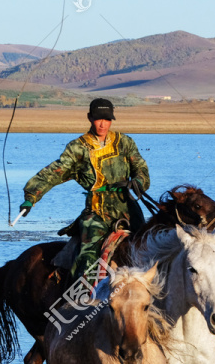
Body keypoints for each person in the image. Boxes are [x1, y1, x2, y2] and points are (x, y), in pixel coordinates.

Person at [19, 98, 150, 283]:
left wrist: (137, 182)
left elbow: (141, 170)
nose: (102, 124)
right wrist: (31, 196)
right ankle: (81, 299)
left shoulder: (125, 142)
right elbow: (54, 172)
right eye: (98, 119)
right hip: (97, 212)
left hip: (129, 208)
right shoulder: (78, 147)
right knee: (88, 258)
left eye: (107, 119)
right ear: (89, 118)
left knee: (150, 248)